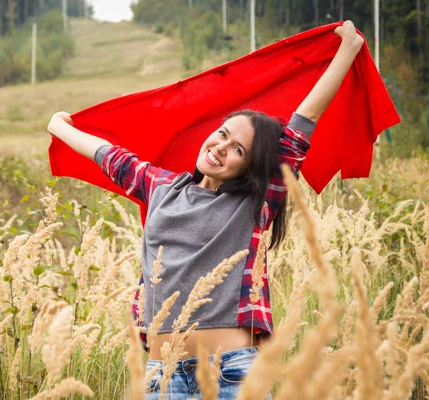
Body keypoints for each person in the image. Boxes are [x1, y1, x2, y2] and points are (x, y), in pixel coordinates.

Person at [47, 20, 363, 400]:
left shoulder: (253, 204)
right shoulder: (162, 187)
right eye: (223, 134)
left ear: (249, 167)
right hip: (161, 378)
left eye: (238, 151)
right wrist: (59, 126)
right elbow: (110, 156)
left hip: (233, 374)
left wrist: (348, 50)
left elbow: (302, 124)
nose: (221, 148)